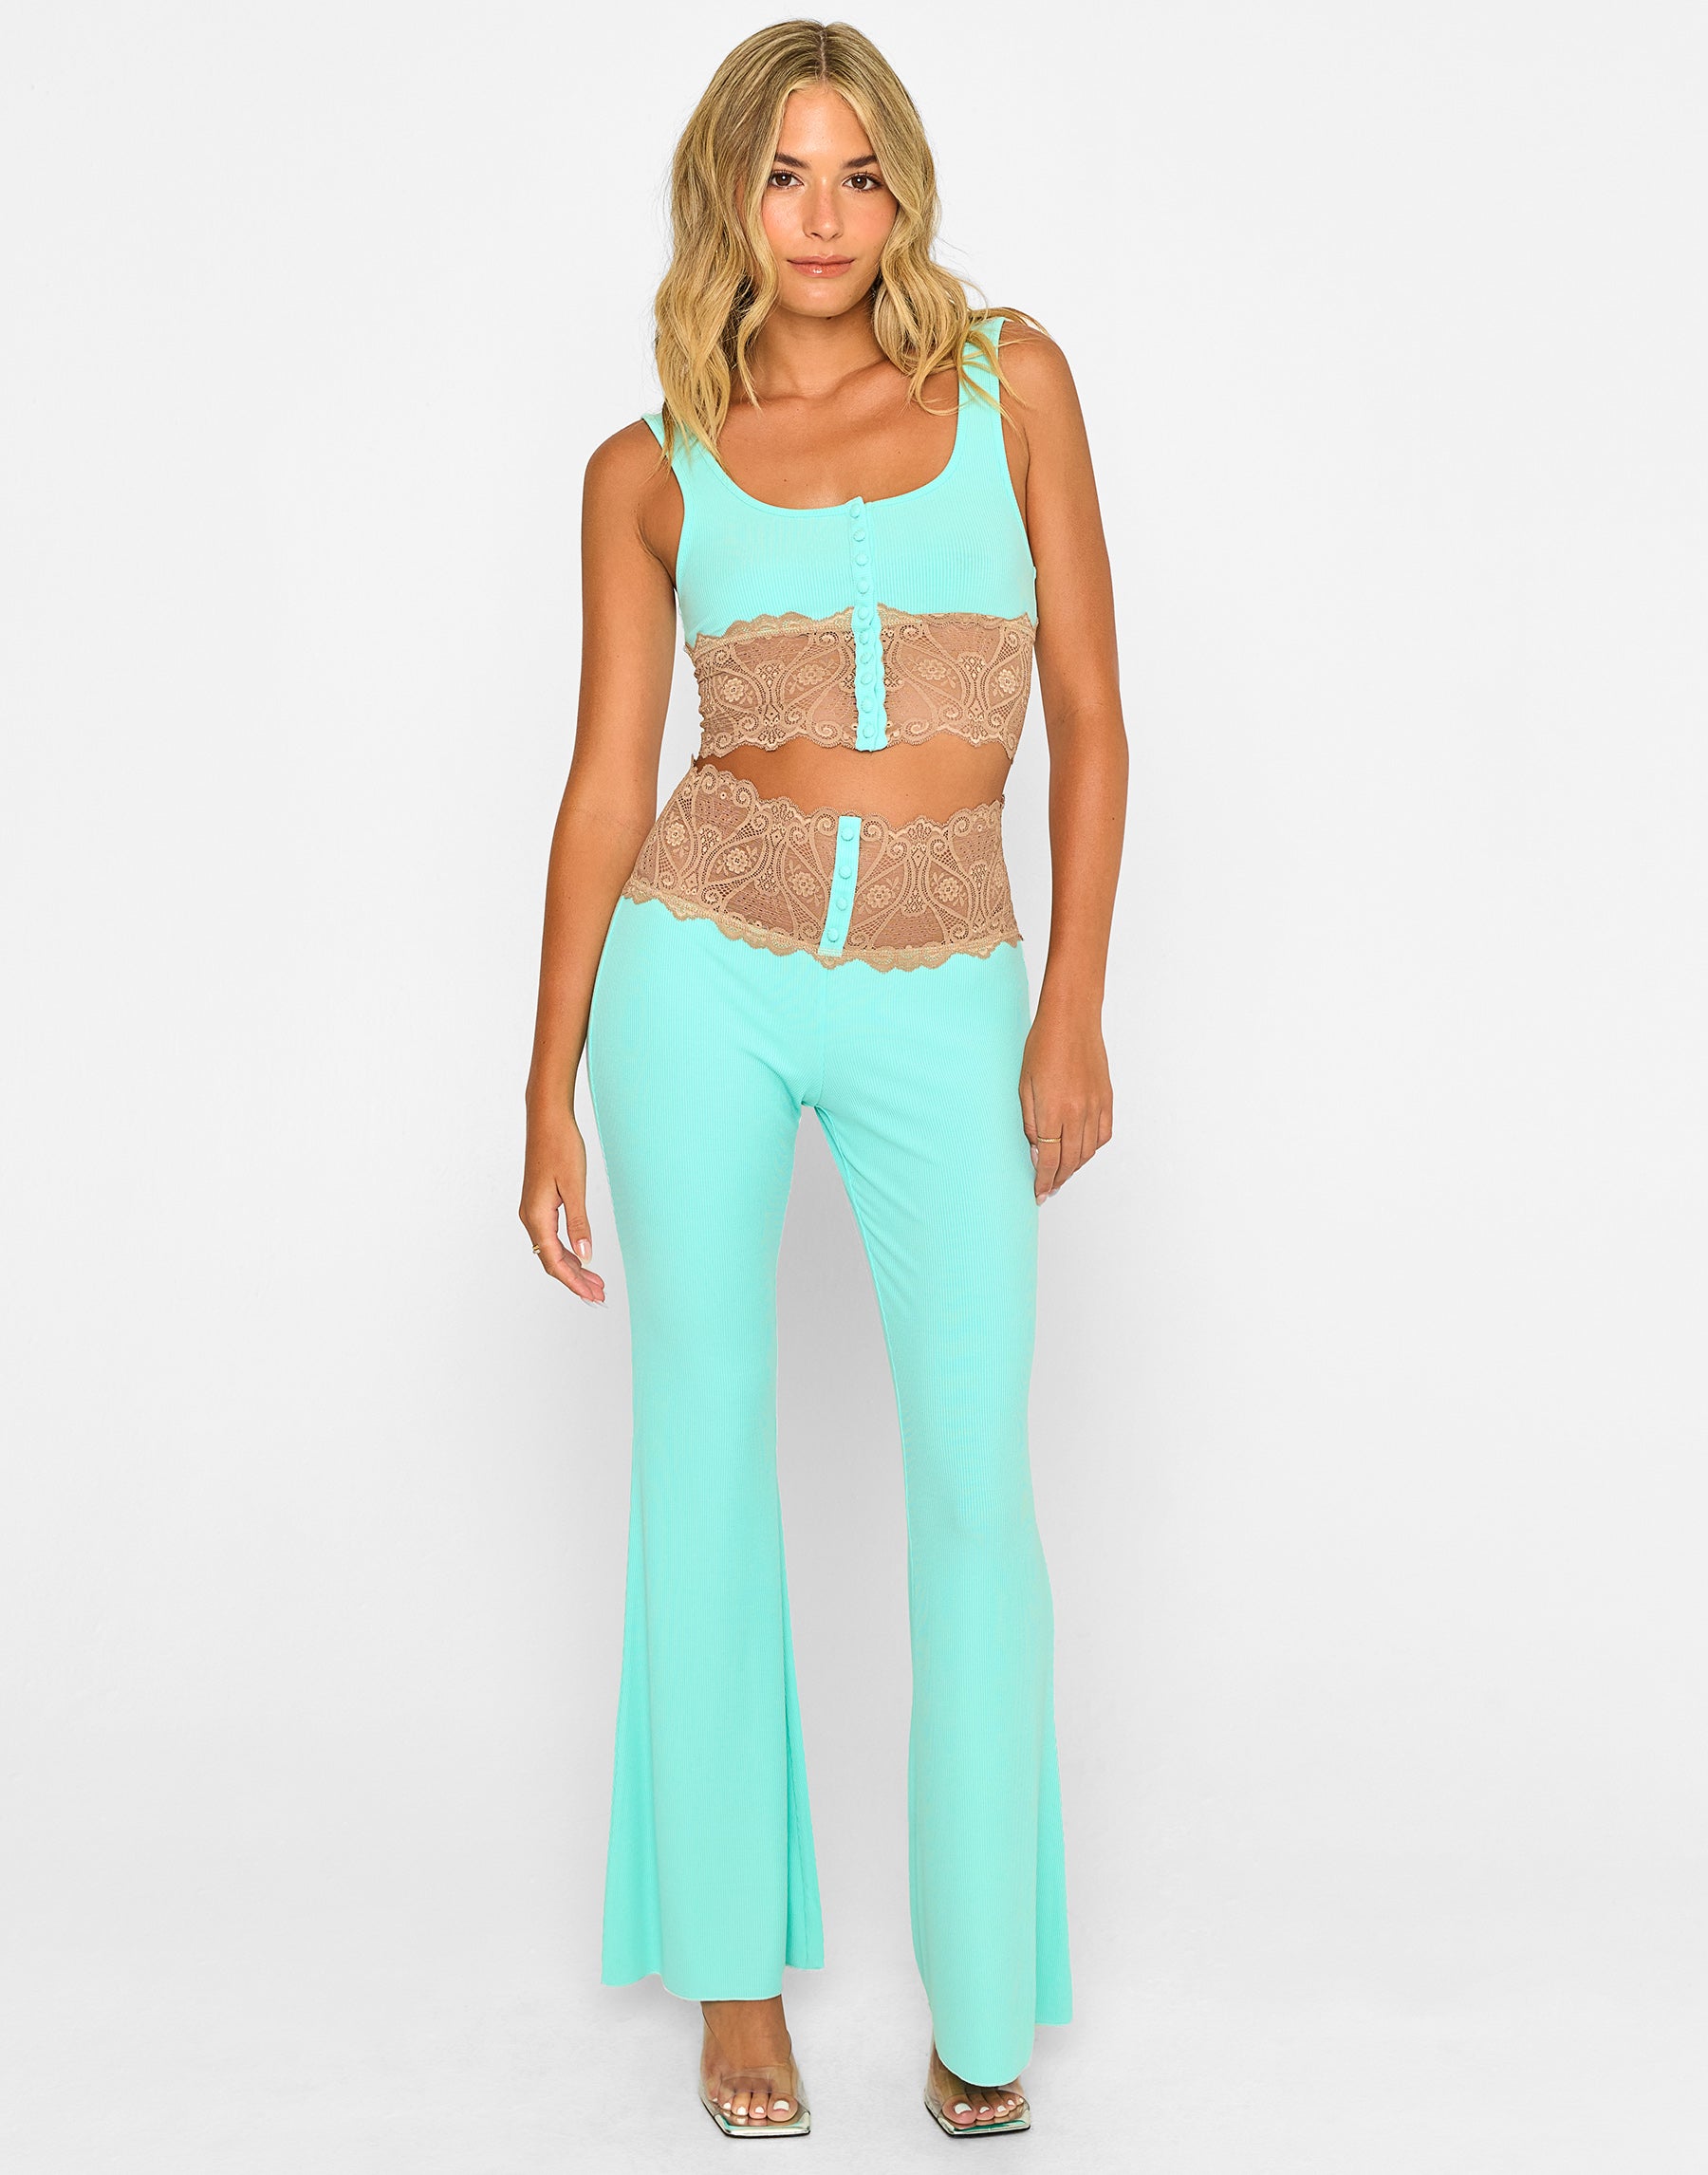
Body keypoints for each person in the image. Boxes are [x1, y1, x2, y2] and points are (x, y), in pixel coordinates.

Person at [519, 18, 1125, 2140]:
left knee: (973, 1483)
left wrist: (1073, 1004)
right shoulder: (648, 467)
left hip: (950, 979)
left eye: (859, 175)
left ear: (903, 194)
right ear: (729, 196)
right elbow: (608, 788)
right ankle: (732, 1988)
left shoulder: (1013, 384)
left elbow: (1092, 715)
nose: (825, 216)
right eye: (786, 175)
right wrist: (544, 1079)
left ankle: (983, 2007)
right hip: (699, 967)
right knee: (702, 1451)